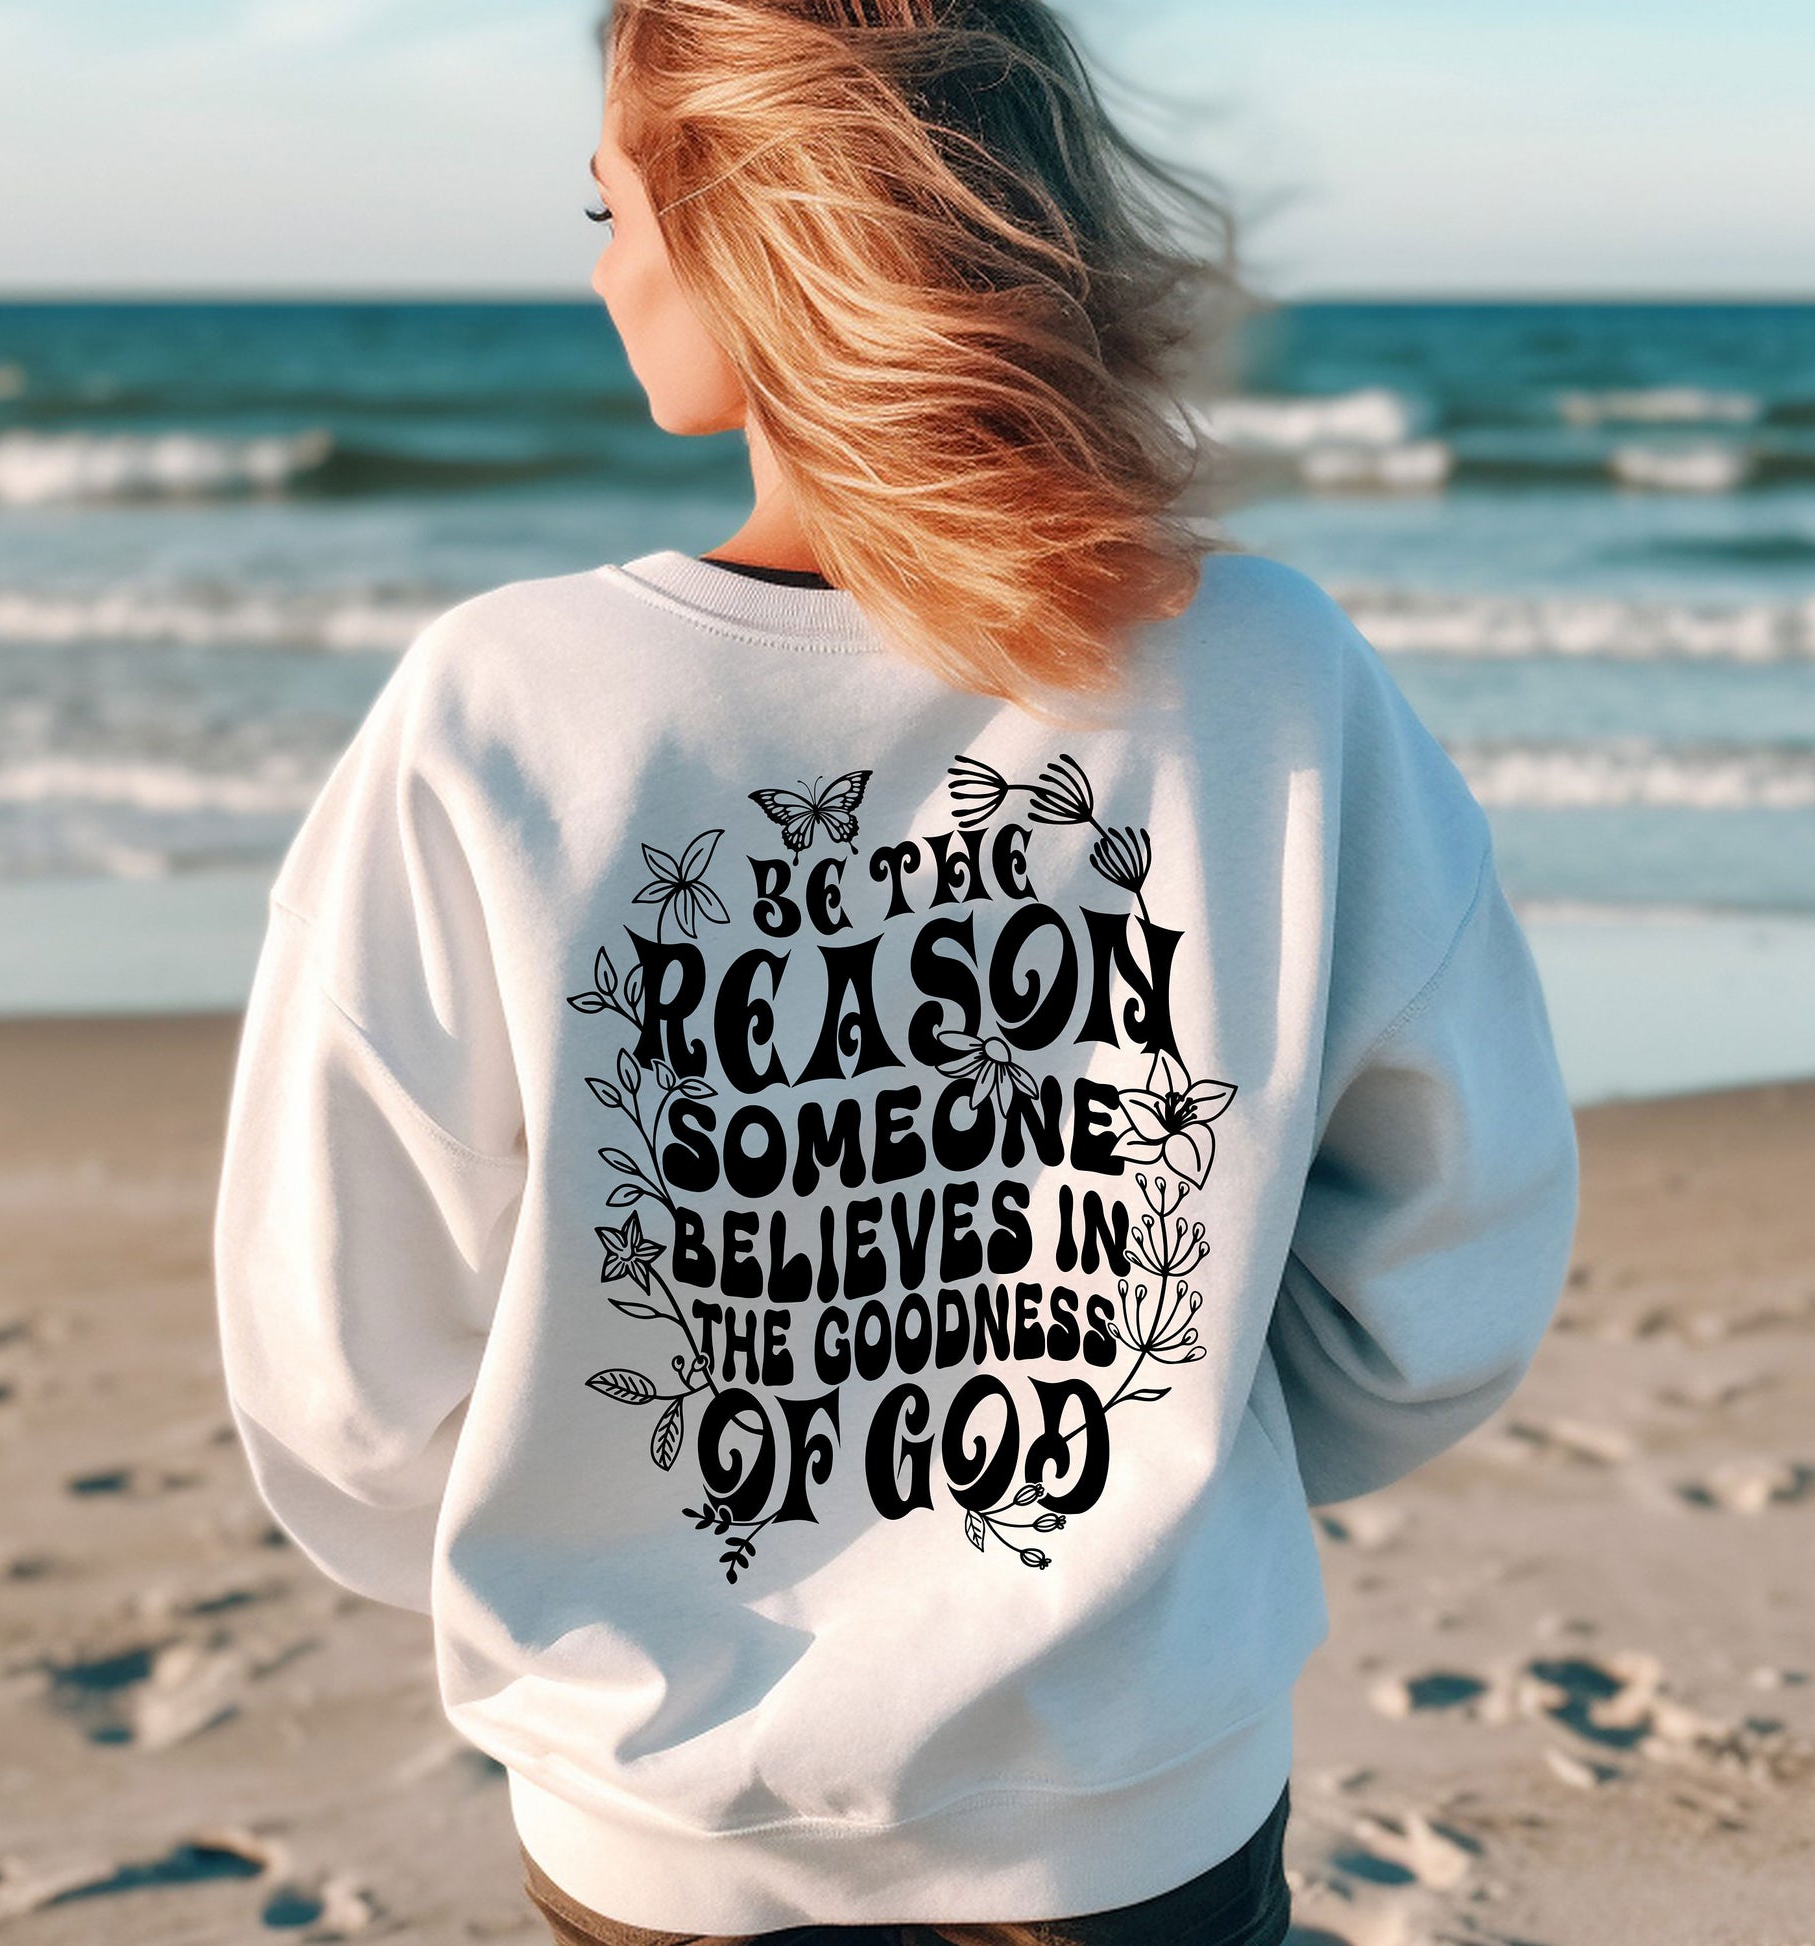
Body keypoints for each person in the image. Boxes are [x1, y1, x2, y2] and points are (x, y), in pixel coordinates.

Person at [211, 4, 1582, 1944]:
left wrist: (610, 1548)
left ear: (756, 226)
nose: (601, 269)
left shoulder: (507, 713)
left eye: (608, 209)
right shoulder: (1266, 685)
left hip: (656, 1818)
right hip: (1135, 1793)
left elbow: (346, 1374)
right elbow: (1447, 1255)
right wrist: (1171, 1483)